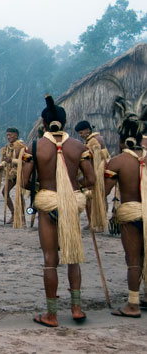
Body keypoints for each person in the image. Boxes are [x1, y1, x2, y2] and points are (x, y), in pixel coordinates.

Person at [21, 95, 95, 327]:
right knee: (73, 257)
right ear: (65, 122)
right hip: (71, 203)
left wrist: (43, 185)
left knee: (50, 259)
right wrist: (73, 185)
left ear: (43, 124)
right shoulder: (78, 146)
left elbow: (24, 182)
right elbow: (91, 179)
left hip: (48, 204)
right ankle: (76, 309)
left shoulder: (34, 147)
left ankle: (51, 315)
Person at [104, 116, 145, 318]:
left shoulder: (118, 162)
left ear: (121, 140)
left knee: (134, 260)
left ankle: (133, 304)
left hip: (131, 214)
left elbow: (104, 191)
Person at [74, 120, 110, 232]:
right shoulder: (94, 139)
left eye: (81, 133)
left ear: (88, 130)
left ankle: (96, 223)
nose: (80, 135)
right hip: (97, 172)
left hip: (97, 172)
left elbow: (96, 159)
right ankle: (97, 222)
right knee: (98, 197)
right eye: (78, 133)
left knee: (93, 197)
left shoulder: (94, 141)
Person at [0, 127, 26, 225]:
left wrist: (12, 161)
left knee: (19, 194)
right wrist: (0, 166)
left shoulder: (21, 147)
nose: (8, 137)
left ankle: (22, 217)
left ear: (16, 135)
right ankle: (14, 214)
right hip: (11, 174)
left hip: (21, 173)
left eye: (10, 135)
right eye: (7, 135)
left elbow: (24, 161)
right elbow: (6, 160)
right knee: (5, 192)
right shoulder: (7, 147)